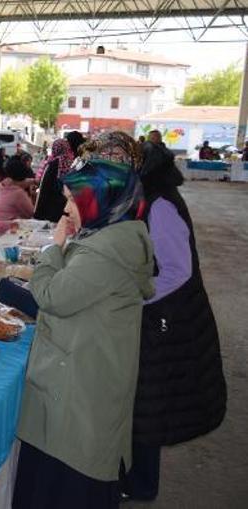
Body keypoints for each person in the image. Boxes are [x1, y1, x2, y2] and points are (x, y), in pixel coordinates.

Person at [14, 134, 155, 509]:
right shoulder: (110, 232)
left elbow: (51, 297)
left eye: (75, 199)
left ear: (101, 200)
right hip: (83, 381)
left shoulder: (106, 250)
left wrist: (52, 248)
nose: (66, 206)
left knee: (65, 488)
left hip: (80, 397)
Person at [120, 142, 227, 501]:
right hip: (166, 317)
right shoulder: (154, 198)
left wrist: (138, 295)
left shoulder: (161, 206)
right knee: (149, 405)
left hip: (170, 322)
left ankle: (142, 486)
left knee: (150, 406)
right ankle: (138, 481)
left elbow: (178, 271)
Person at [33, 138, 75, 222]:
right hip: (68, 204)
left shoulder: (53, 164)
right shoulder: (71, 162)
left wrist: (38, 214)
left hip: (52, 207)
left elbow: (45, 188)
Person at [0, 156, 35, 221]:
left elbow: (23, 182)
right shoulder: (18, 193)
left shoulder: (1, 185)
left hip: (0, 221)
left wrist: (34, 181)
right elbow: (31, 213)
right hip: (11, 226)